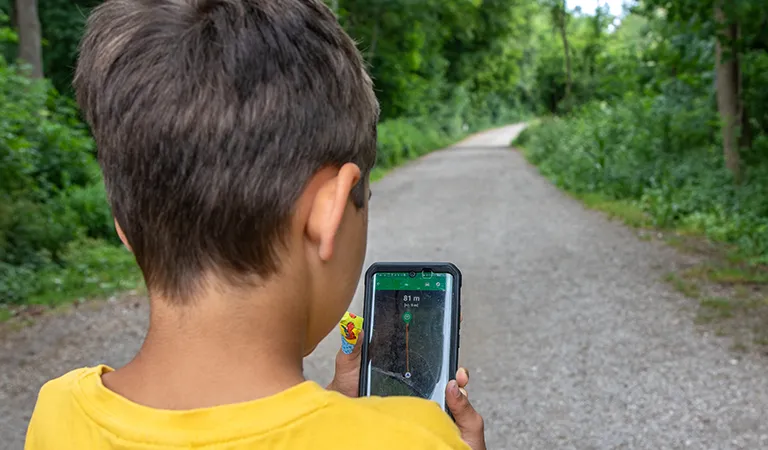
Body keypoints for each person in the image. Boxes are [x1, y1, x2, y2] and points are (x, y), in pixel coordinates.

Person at [24, 0, 486, 449]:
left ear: (122, 221)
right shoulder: (415, 438)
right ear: (330, 210)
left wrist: (332, 409)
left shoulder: (57, 411)